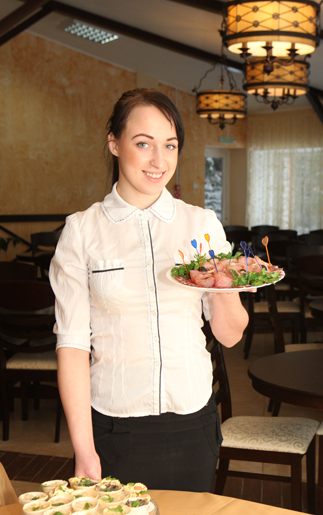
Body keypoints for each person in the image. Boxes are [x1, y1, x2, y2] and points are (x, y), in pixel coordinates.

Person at [50, 88, 248, 491]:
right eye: (143, 143)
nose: (159, 161)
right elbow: (72, 347)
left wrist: (223, 282)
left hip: (194, 423)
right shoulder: (82, 231)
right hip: (115, 428)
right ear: (114, 143)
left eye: (170, 145)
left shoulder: (202, 225)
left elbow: (229, 334)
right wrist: (84, 449)